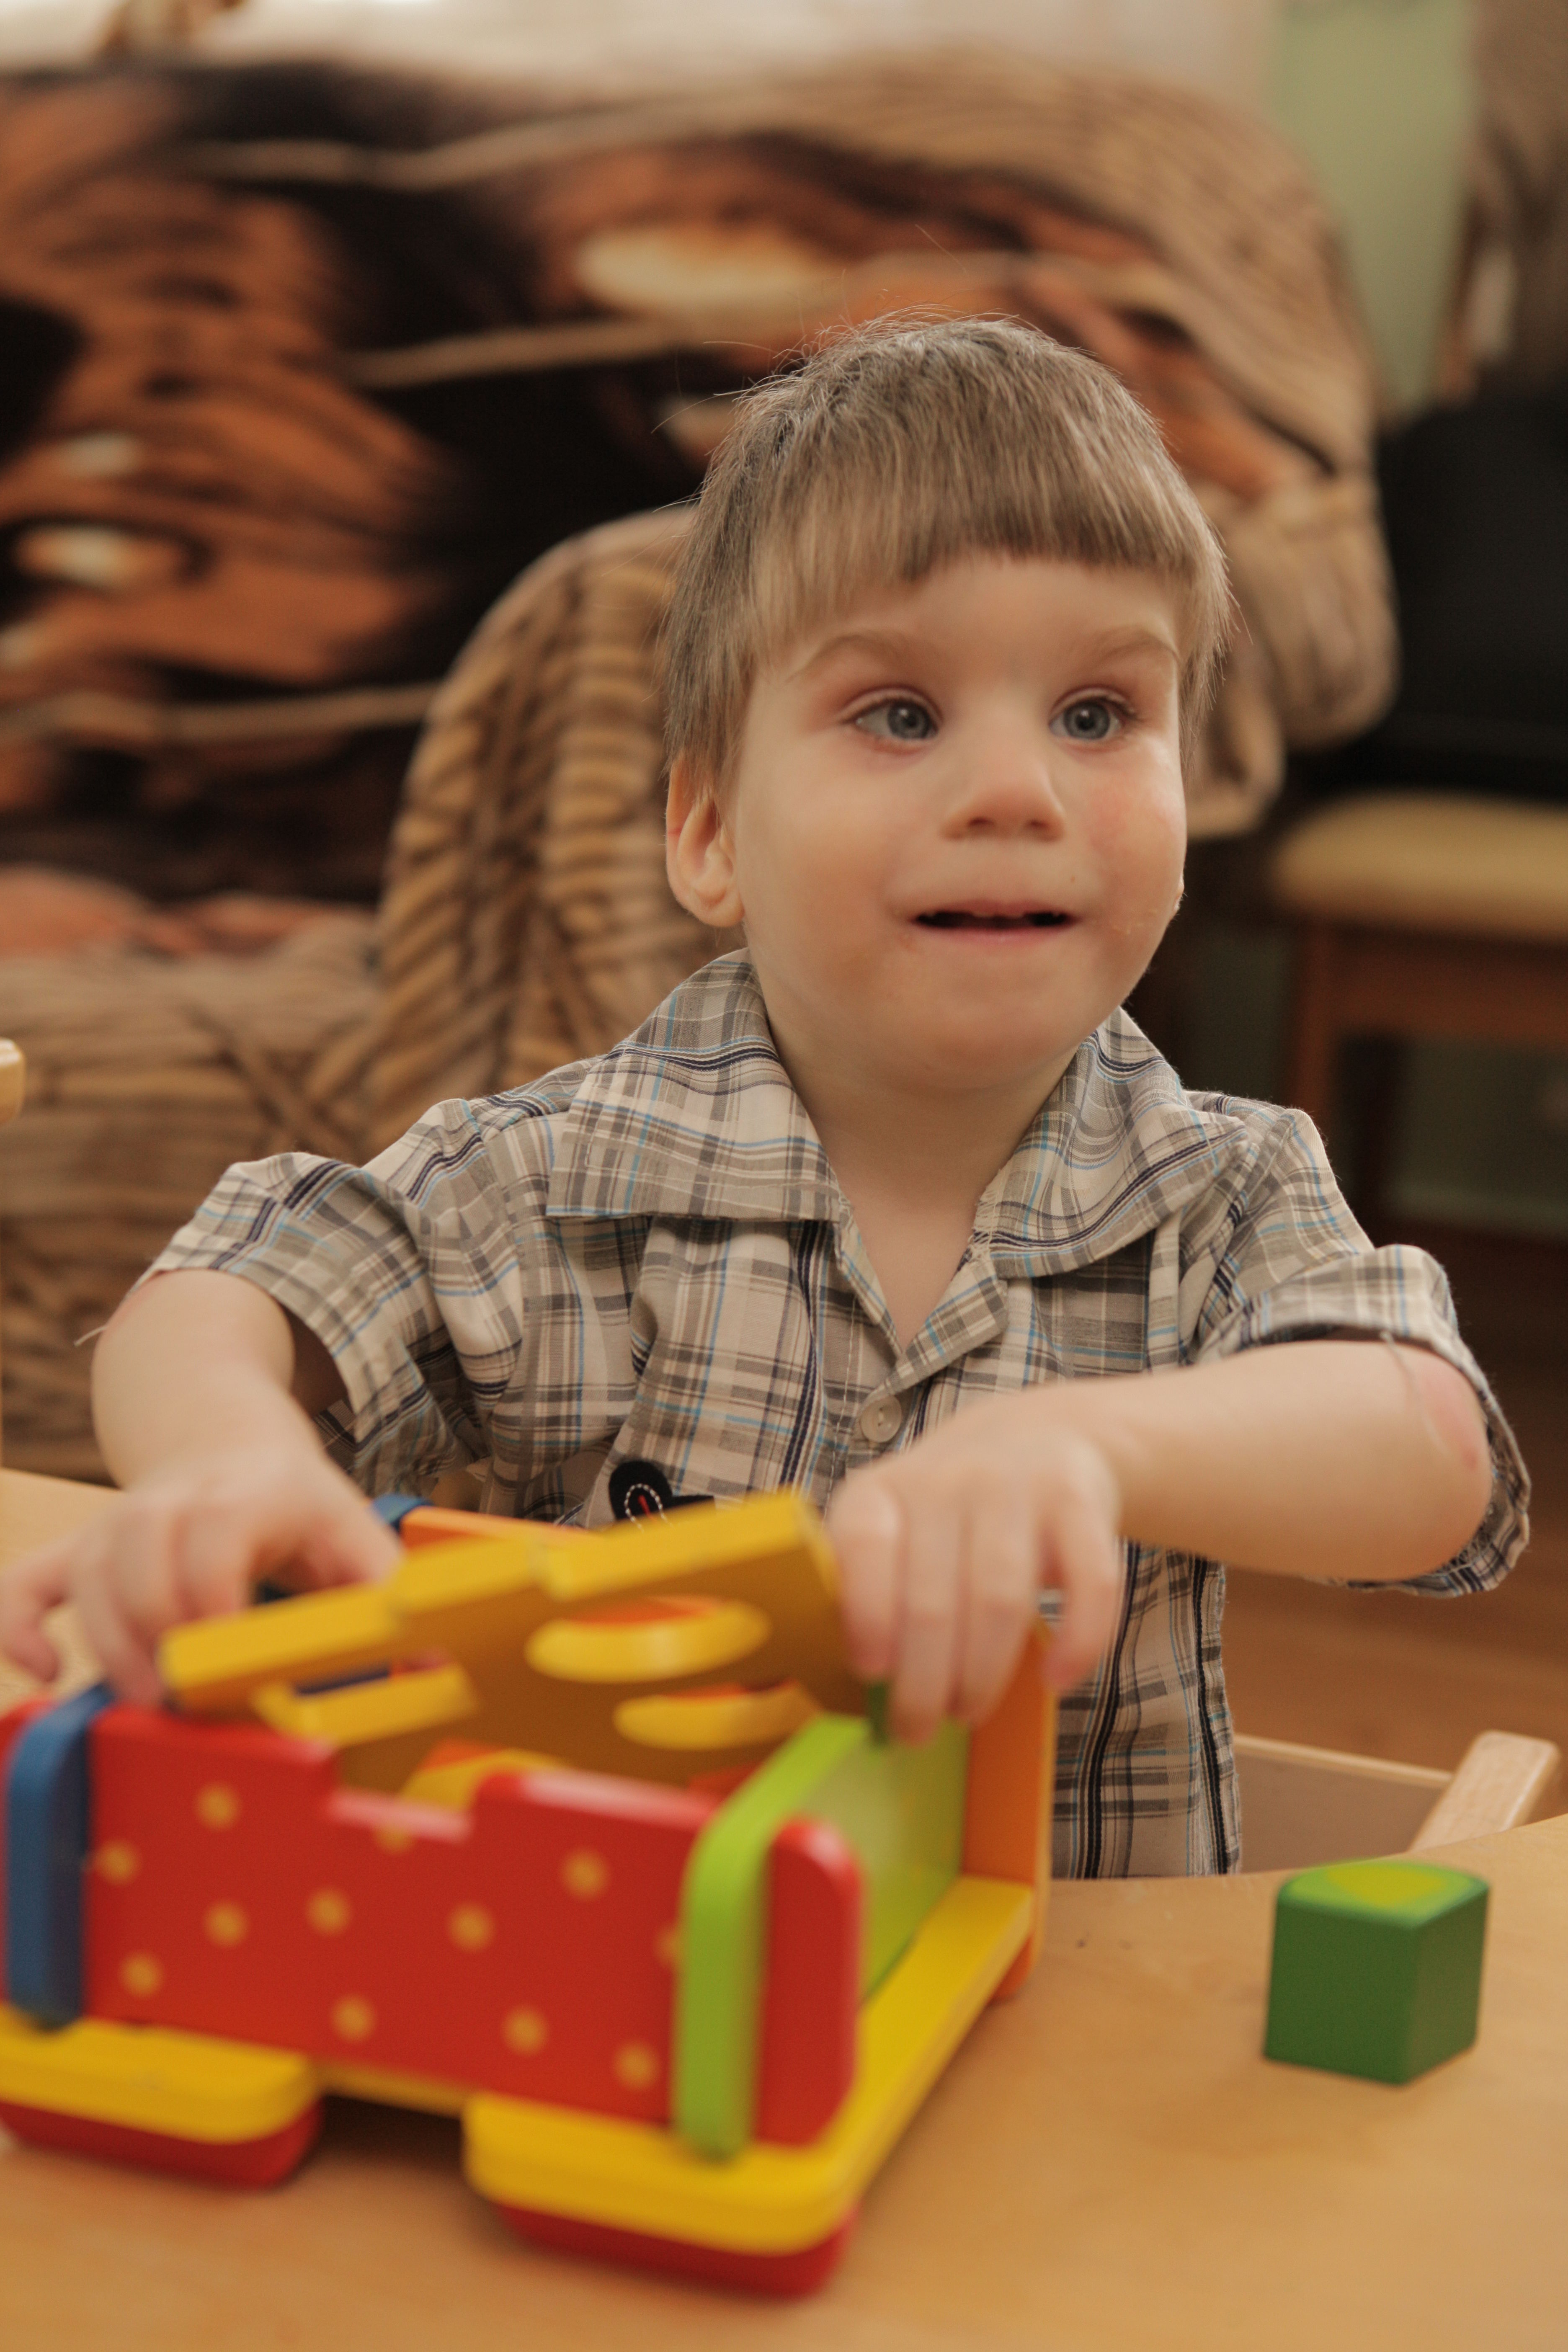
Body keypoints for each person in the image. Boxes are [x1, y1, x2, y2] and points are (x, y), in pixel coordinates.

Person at [0, 319, 1526, 1877]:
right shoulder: (562, 1178)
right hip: (641, 1969)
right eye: (901, 714)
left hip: (1067, 1990)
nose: (1019, 792)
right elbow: (228, 1283)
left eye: (1098, 715)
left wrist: (1091, 1445)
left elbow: (1426, 1448)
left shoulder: (1230, 1190)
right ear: (712, 832)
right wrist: (229, 1460)